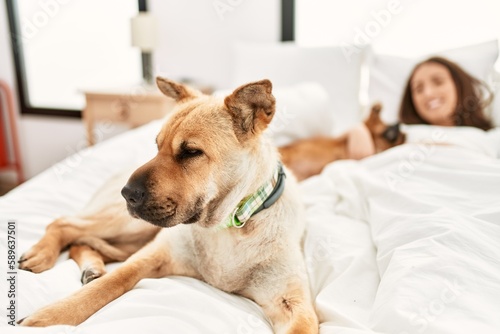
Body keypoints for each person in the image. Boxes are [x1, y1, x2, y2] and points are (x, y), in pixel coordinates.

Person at [348, 56, 495, 159]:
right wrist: (359, 130)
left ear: (459, 85)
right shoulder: (401, 134)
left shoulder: (491, 137)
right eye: (418, 89)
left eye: (438, 82)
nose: (428, 94)